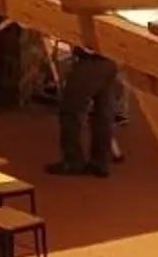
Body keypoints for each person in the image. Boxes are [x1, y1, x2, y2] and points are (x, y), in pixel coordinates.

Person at [49, 40, 118, 177]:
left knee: (71, 110)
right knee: (103, 114)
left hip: (90, 60)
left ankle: (73, 161)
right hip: (110, 59)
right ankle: (100, 162)